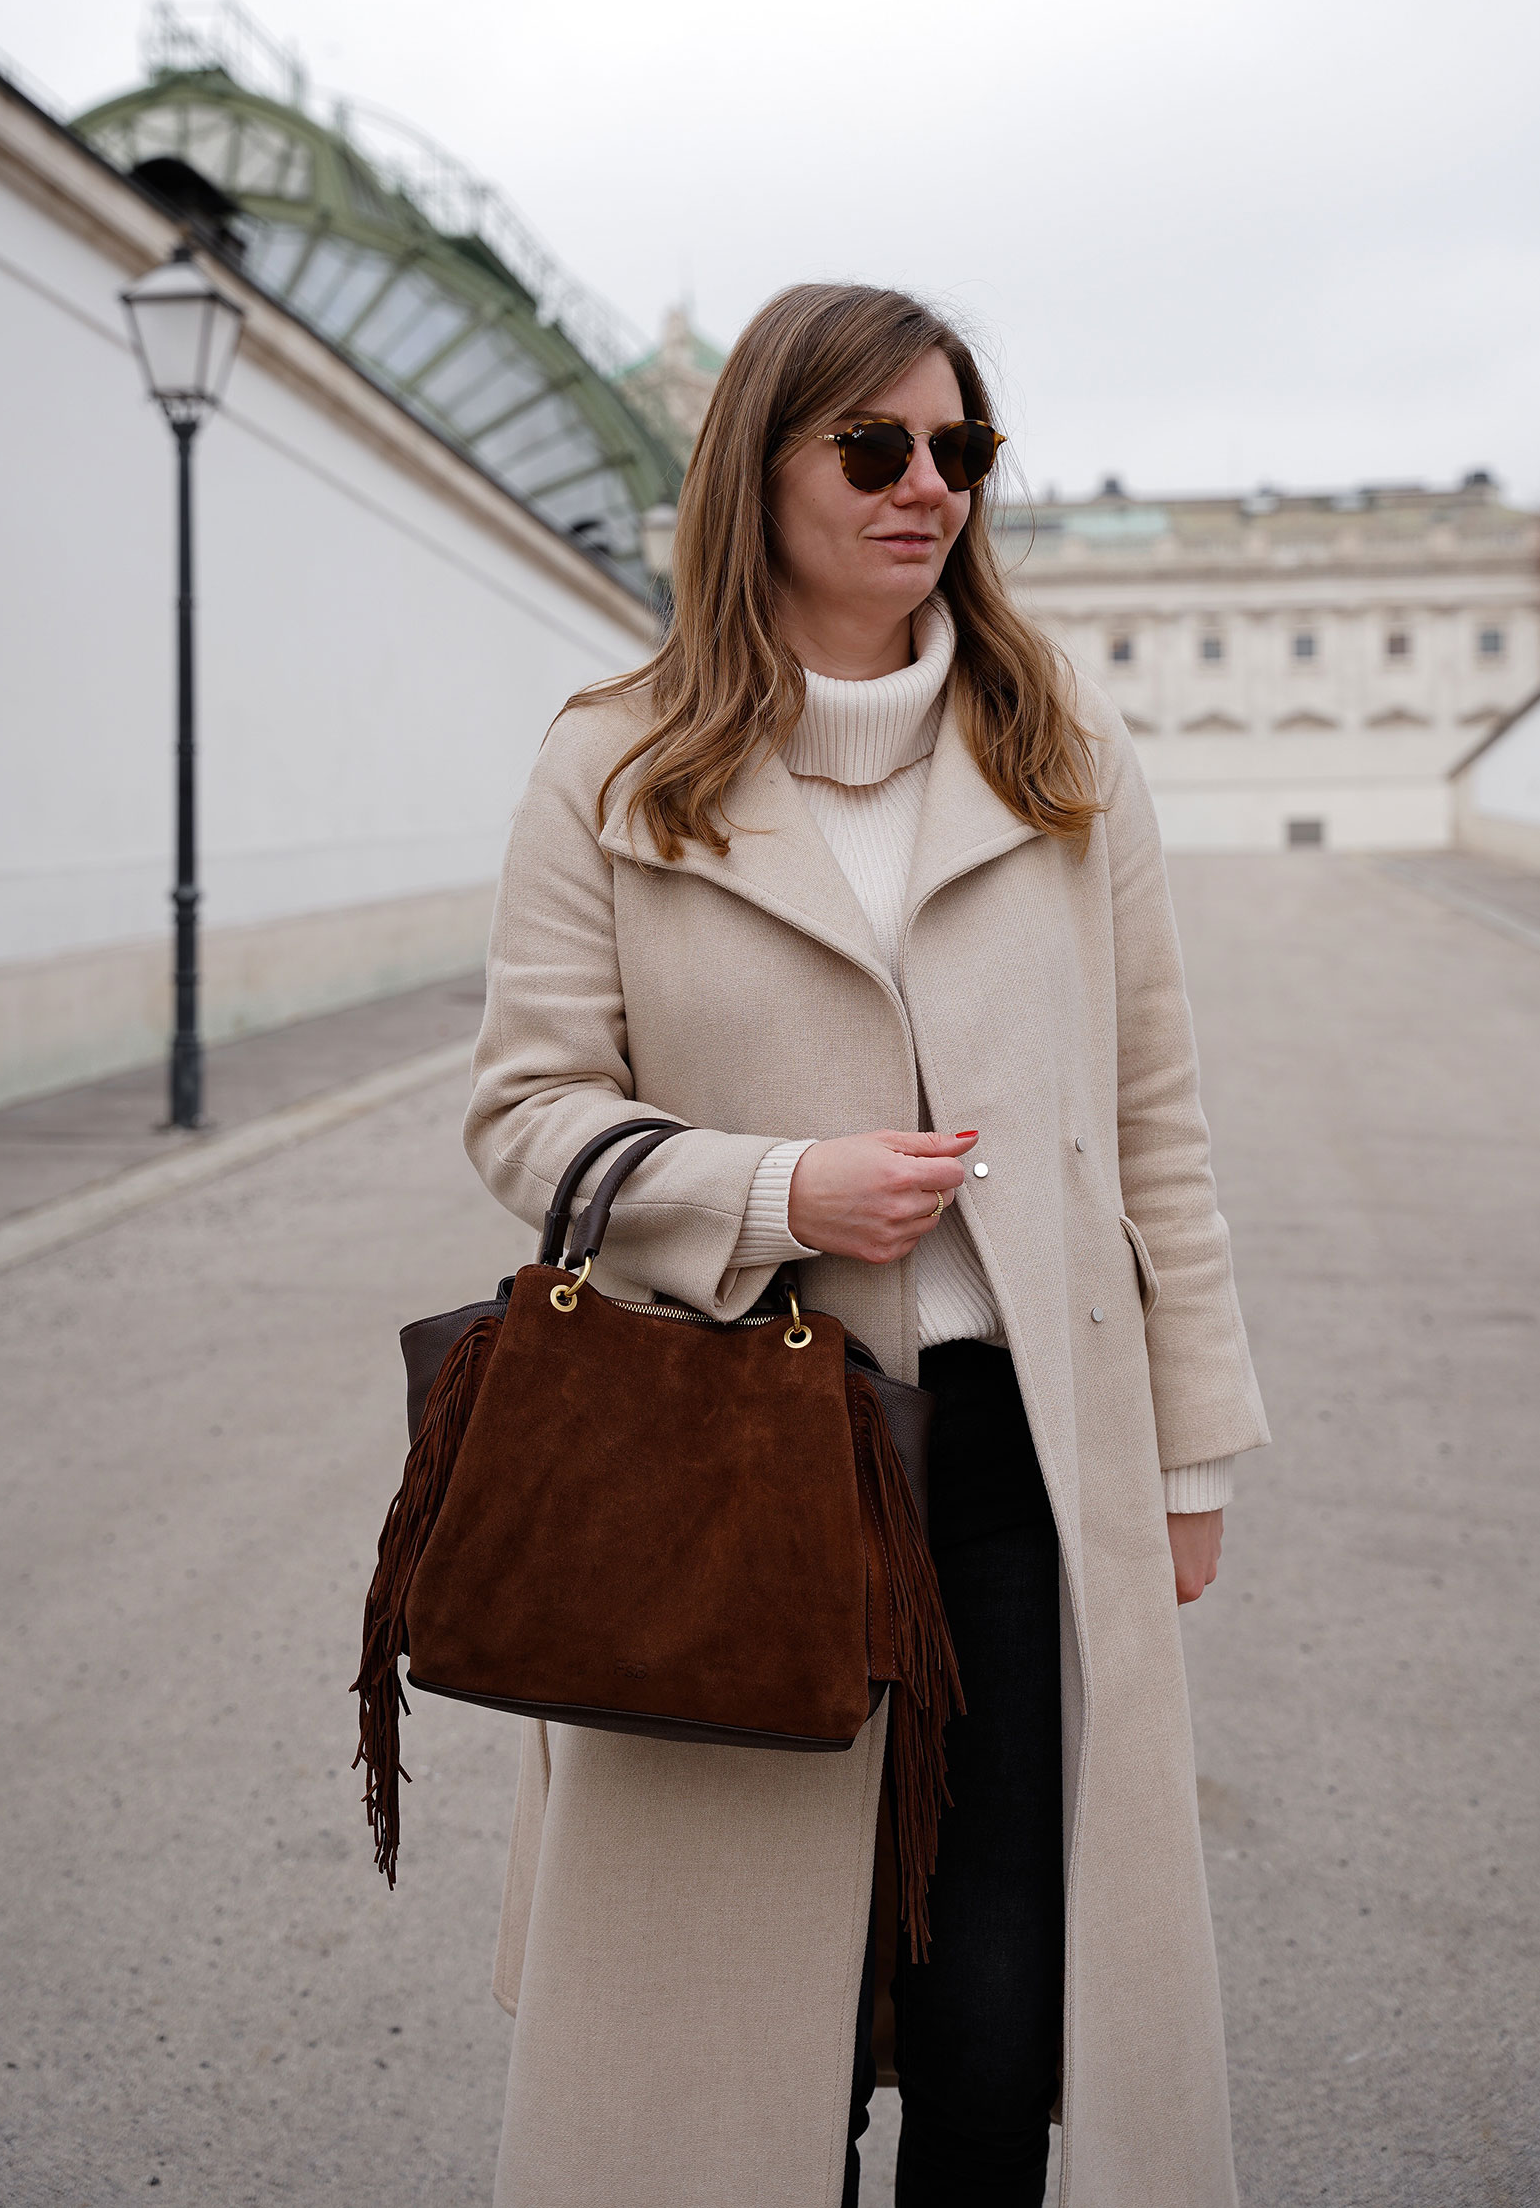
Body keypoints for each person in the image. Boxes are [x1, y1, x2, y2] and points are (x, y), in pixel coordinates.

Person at [464, 282, 1269, 2208]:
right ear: (761, 466)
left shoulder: (1064, 750)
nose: (929, 488)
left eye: (962, 451)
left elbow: (1154, 1120)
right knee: (745, 2047)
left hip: (1021, 1456)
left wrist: (1190, 1446)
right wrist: (775, 1191)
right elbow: (522, 1111)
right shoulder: (614, 759)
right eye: (877, 448)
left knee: (1000, 2021)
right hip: (735, 1453)